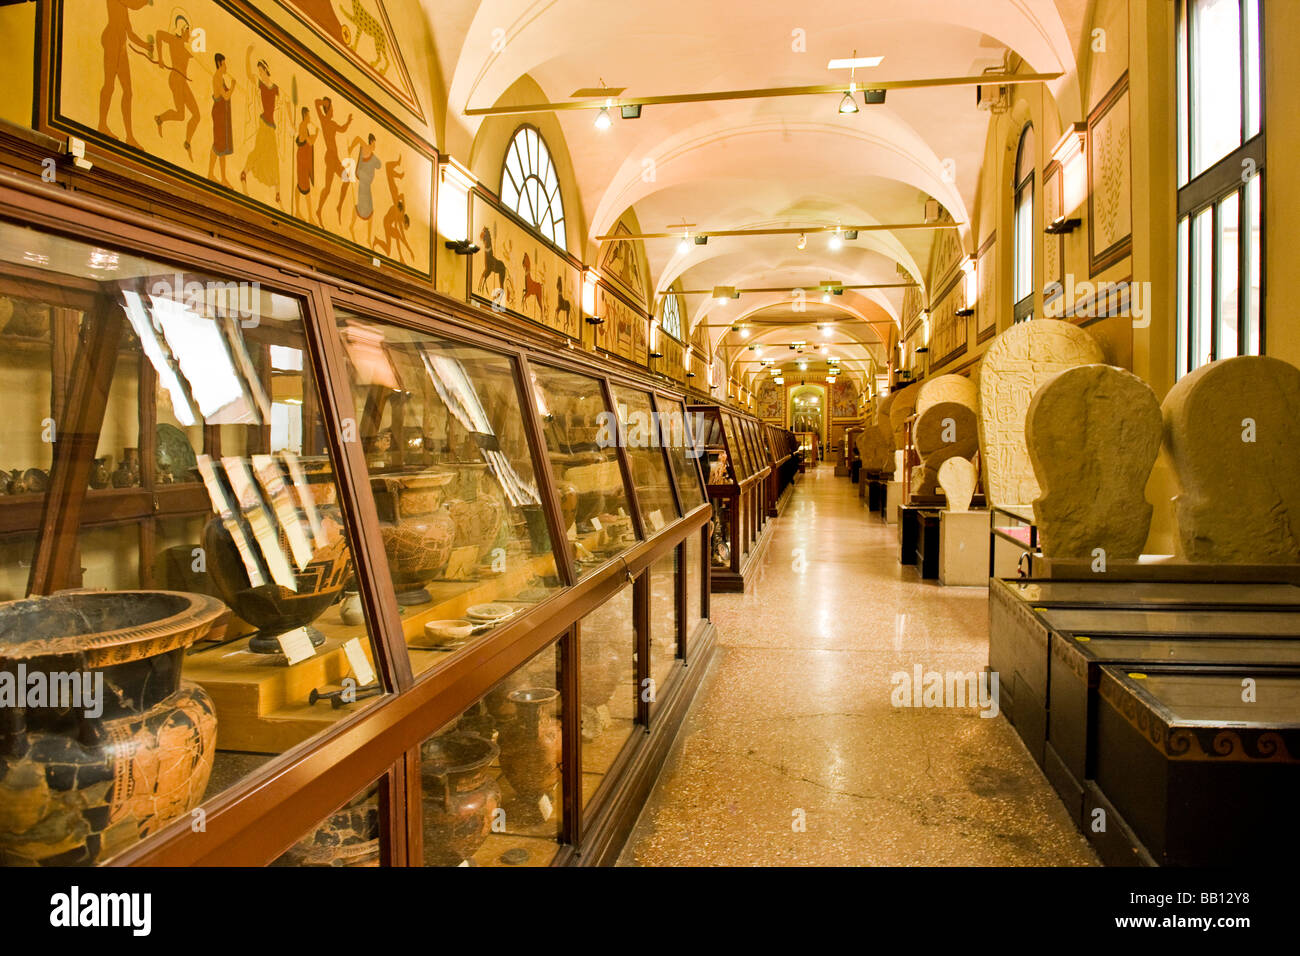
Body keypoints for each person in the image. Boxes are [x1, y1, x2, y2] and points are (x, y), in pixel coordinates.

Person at [97, 0, 152, 147]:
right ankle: (102, 124)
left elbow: (131, 34)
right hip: (111, 39)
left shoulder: (125, 7)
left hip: (121, 45)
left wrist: (147, 46)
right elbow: (135, 5)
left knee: (128, 92)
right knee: (109, 85)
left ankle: (130, 137)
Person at [153, 14, 201, 158]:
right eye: (187, 32)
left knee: (197, 115)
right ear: (181, 30)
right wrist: (160, 57)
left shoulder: (185, 48)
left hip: (183, 82)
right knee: (181, 115)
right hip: (175, 79)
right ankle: (159, 118)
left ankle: (187, 142)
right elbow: (159, 34)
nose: (189, 35)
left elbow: (197, 58)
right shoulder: (174, 41)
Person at [239, 48, 282, 206]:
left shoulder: (275, 87)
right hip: (264, 123)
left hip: (272, 126)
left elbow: (284, 102)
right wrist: (248, 55)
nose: (260, 73)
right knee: (259, 151)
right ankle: (244, 172)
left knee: (273, 157)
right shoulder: (262, 85)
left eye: (261, 70)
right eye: (258, 71)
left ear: (265, 70)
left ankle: (278, 193)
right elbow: (248, 75)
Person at [313, 97, 352, 225]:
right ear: (328, 110)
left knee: (347, 179)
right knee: (328, 189)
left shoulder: (333, 124)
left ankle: (339, 206)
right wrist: (325, 103)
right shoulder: (324, 121)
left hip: (335, 159)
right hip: (330, 158)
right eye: (332, 109)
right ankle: (318, 210)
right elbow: (316, 103)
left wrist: (348, 122)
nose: (333, 111)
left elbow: (342, 129)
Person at [346, 133, 381, 244]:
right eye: (374, 144)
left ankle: (367, 237)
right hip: (364, 186)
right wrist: (351, 147)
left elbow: (379, 165)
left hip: (366, 186)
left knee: (368, 211)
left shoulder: (372, 155)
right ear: (370, 142)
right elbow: (357, 138)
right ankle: (352, 227)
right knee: (363, 209)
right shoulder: (365, 147)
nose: (374, 147)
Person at [207, 53, 236, 185]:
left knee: (222, 147)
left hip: (224, 115)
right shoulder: (217, 77)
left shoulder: (221, 78)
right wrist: (233, 86)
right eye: (224, 64)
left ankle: (223, 178)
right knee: (218, 144)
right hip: (219, 114)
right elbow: (225, 96)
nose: (226, 67)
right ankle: (210, 173)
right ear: (219, 64)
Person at [293, 106, 318, 225]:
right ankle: (310, 216)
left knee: (300, 185)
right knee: (305, 188)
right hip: (302, 159)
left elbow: (308, 140)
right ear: (305, 115)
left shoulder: (304, 126)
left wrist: (312, 136)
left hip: (304, 158)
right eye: (308, 115)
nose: (310, 118)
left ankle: (298, 210)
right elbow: (310, 141)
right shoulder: (303, 125)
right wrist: (317, 134)